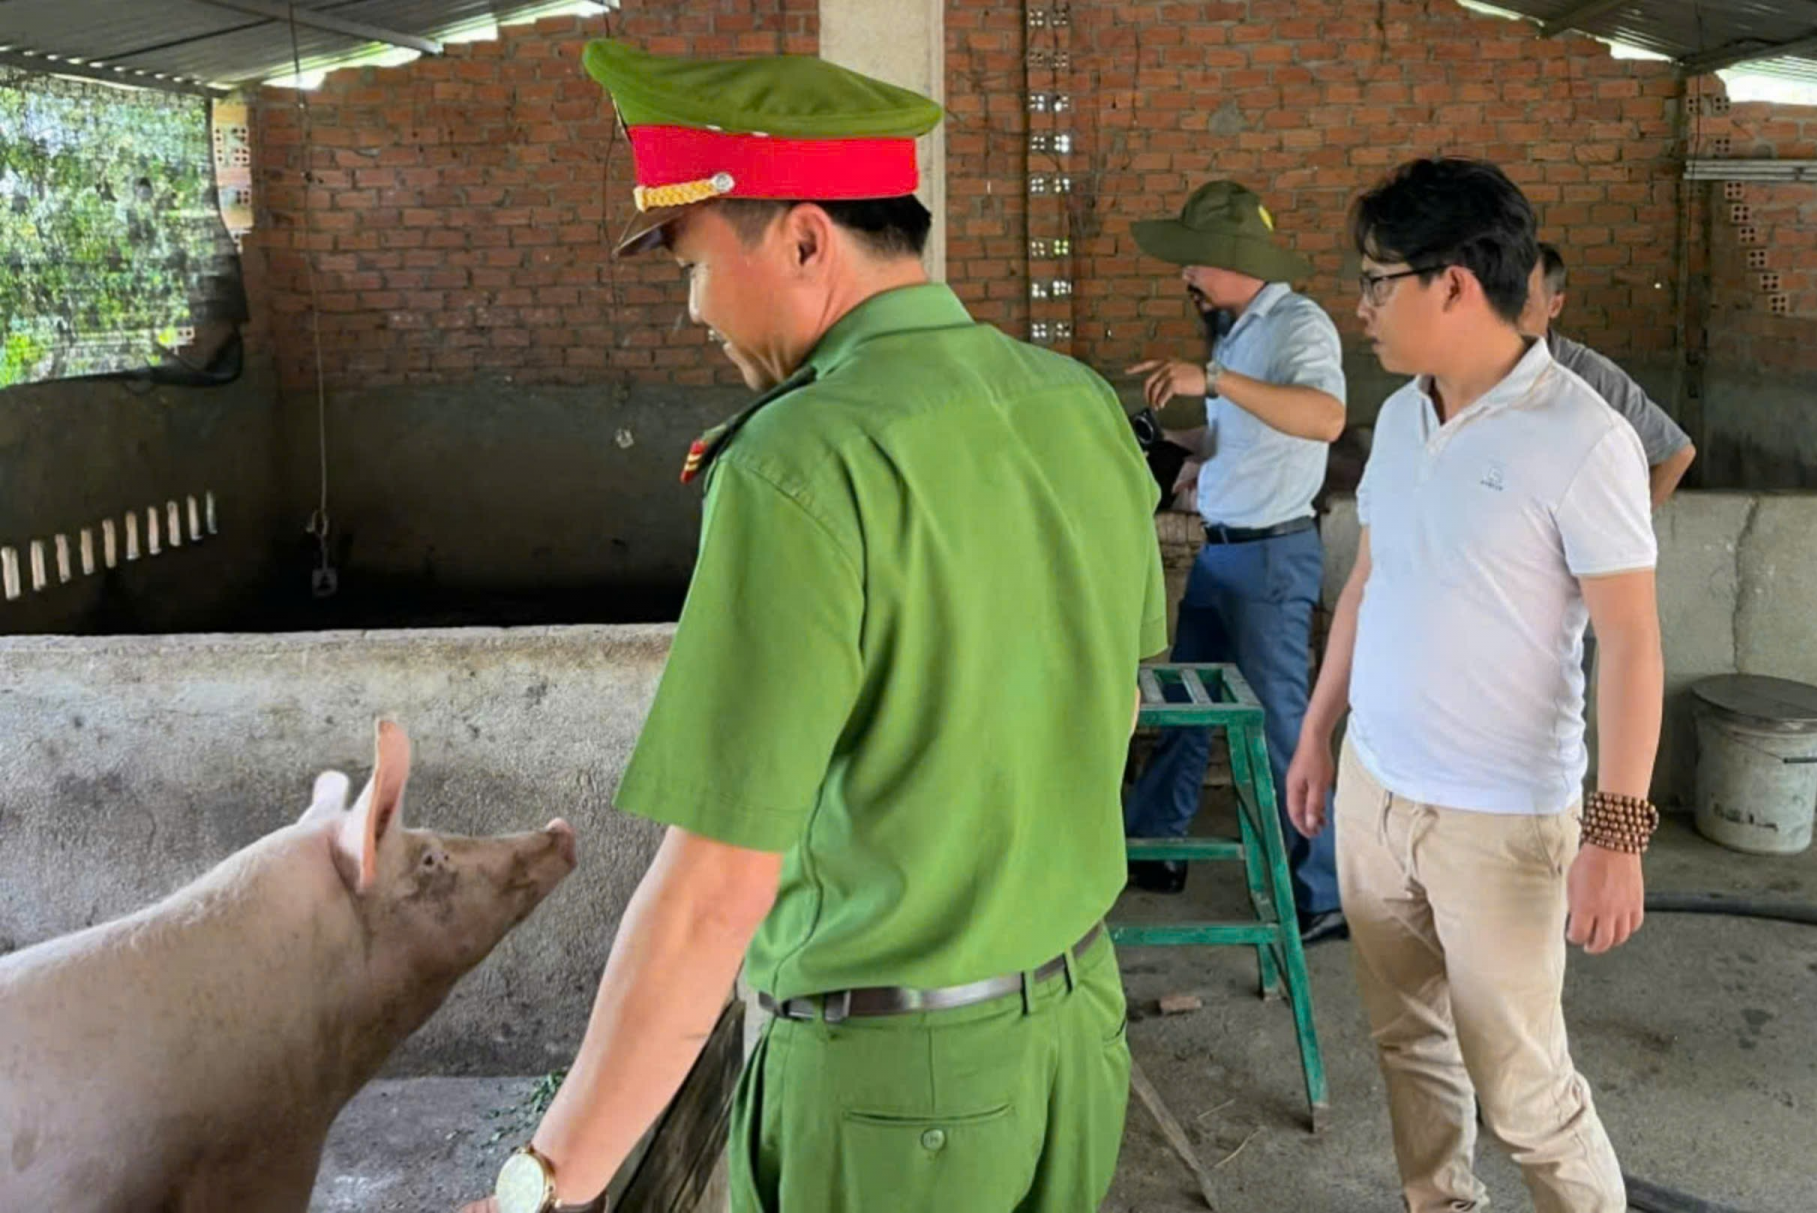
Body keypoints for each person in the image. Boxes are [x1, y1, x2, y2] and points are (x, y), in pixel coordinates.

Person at [462, 42, 1164, 1213]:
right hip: (1075, 1043)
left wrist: (550, 1176)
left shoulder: (800, 461)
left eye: (691, 261)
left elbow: (713, 895)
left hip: (897, 1096)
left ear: (801, 239)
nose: (692, 309)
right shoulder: (1078, 407)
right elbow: (1117, 700)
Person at [1287, 158, 1664, 1213]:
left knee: (1527, 1096)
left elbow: (1633, 641)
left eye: (1375, 282)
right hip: (1377, 793)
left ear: (1452, 283)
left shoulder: (1582, 438)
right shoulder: (1404, 418)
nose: (1361, 307)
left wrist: (1616, 835)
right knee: (1409, 1046)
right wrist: (1320, 731)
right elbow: (1371, 577)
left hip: (1499, 821)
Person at [1119, 179, 1348, 945]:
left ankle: (1322, 887)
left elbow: (1323, 417)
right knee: (1184, 703)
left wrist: (1210, 380)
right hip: (1223, 552)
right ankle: (1158, 845)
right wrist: (1178, 445)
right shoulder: (1240, 332)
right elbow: (1245, 437)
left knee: (1286, 723)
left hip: (1271, 558)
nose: (1184, 275)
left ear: (1228, 256)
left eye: (1192, 261)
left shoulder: (1297, 326)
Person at [1520, 243, 1696, 507]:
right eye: (1496, 300)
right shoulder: (1470, 371)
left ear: (1554, 305)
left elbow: (1676, 454)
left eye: (1521, 303)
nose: (1503, 316)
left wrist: (1625, 536)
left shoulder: (1589, 375)